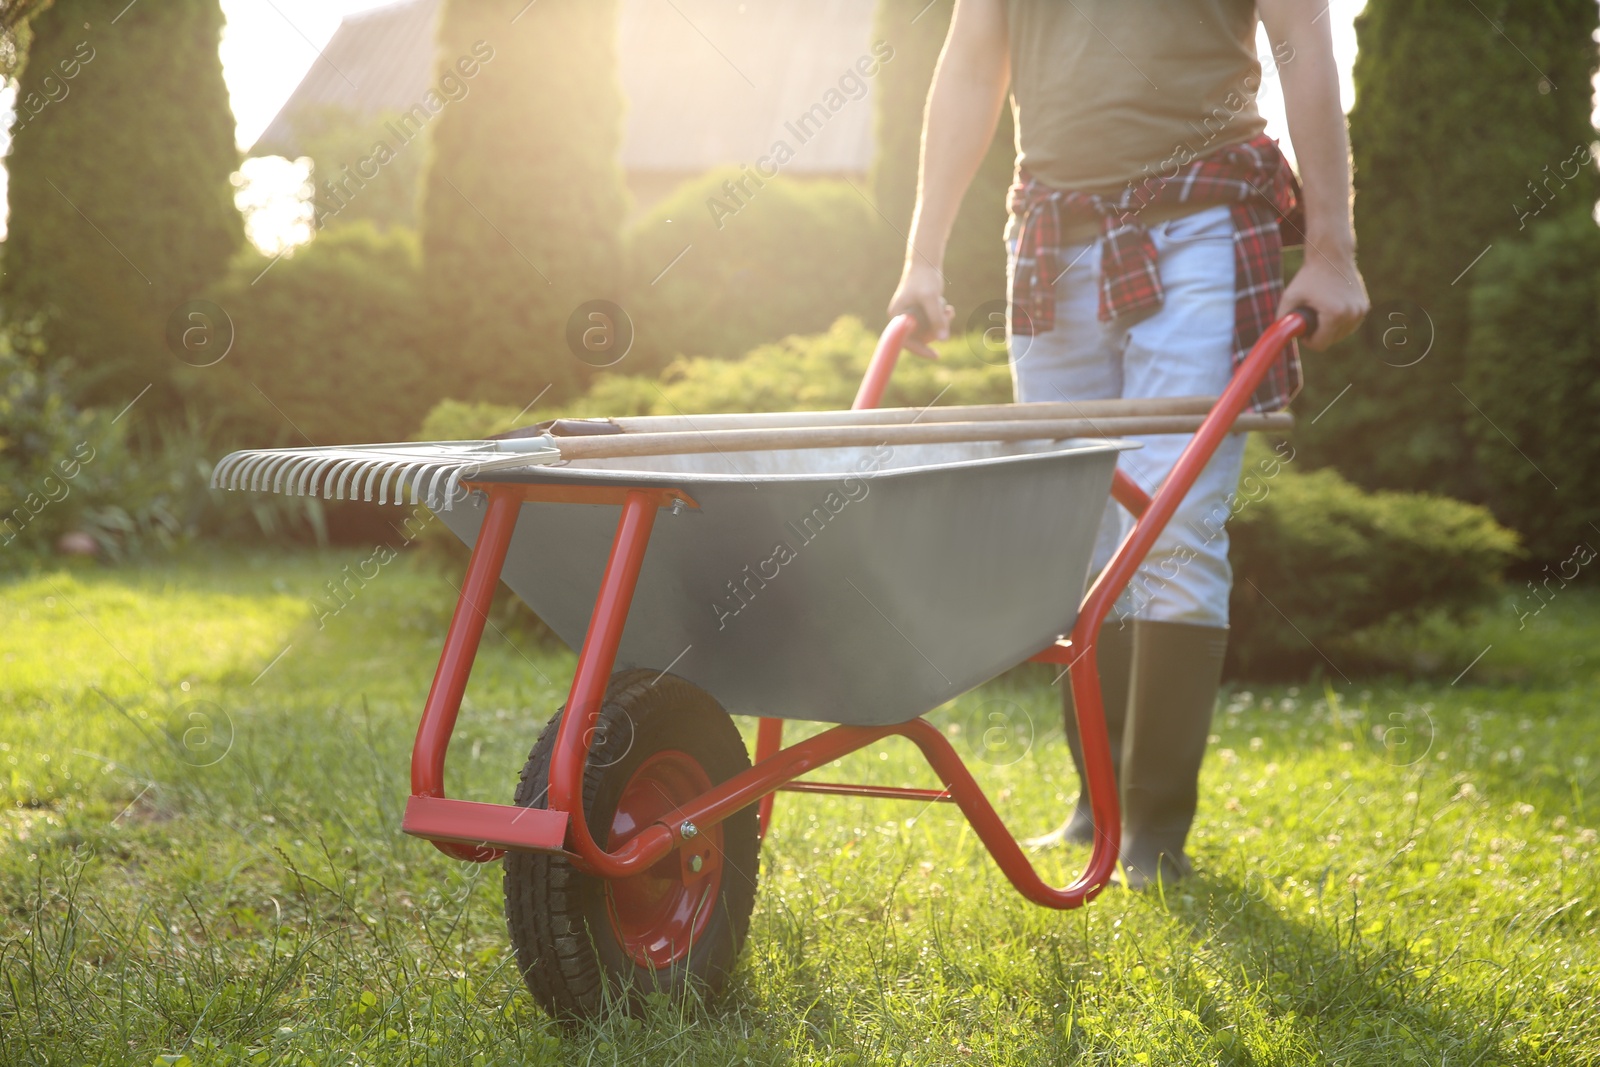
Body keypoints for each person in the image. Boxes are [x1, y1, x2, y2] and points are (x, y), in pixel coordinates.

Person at [887, 0, 1369, 888]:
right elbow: (969, 62)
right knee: (1076, 525)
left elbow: (1302, 37)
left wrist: (1331, 242)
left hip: (1201, 218)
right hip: (1051, 232)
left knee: (1171, 520)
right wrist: (923, 256)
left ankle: (1151, 827)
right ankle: (1095, 805)